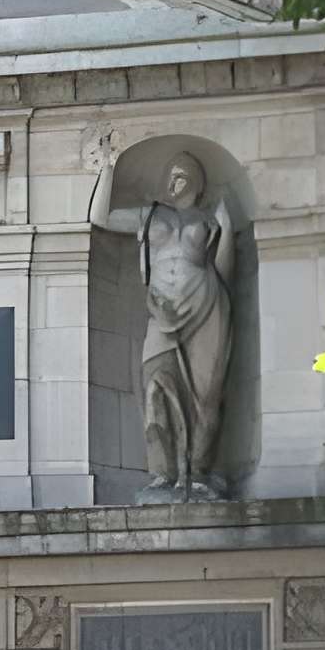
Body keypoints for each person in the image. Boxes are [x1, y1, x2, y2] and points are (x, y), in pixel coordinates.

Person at [90, 142, 236, 500]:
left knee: (205, 393)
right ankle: (163, 472)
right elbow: (101, 218)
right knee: (154, 384)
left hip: (205, 307)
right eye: (171, 177)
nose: (175, 182)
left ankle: (199, 472)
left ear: (198, 183)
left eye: (182, 176)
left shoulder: (208, 219)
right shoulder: (150, 214)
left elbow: (224, 269)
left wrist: (228, 225)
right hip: (161, 312)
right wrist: (108, 170)